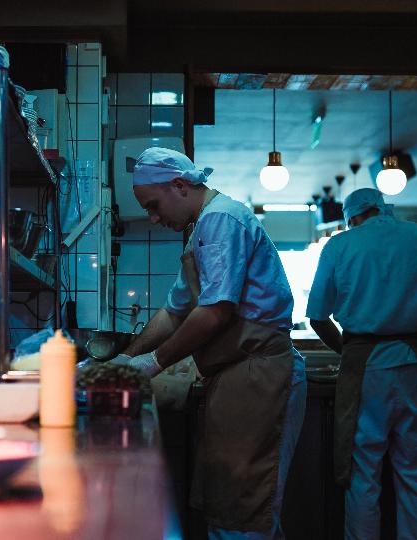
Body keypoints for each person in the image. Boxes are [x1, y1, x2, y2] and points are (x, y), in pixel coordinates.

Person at [111, 147, 306, 539]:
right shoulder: (199, 231)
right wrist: (123, 359)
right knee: (232, 503)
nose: (152, 217)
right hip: (235, 376)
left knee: (246, 507)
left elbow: (215, 312)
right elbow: (174, 312)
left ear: (179, 186)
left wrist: (153, 363)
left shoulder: (222, 219)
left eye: (152, 205)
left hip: (260, 373)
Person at [306, 188, 417, 540]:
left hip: (364, 372)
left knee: (362, 476)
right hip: (413, 365)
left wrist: (347, 350)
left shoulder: (341, 245)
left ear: (353, 218)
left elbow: (317, 317)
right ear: (384, 209)